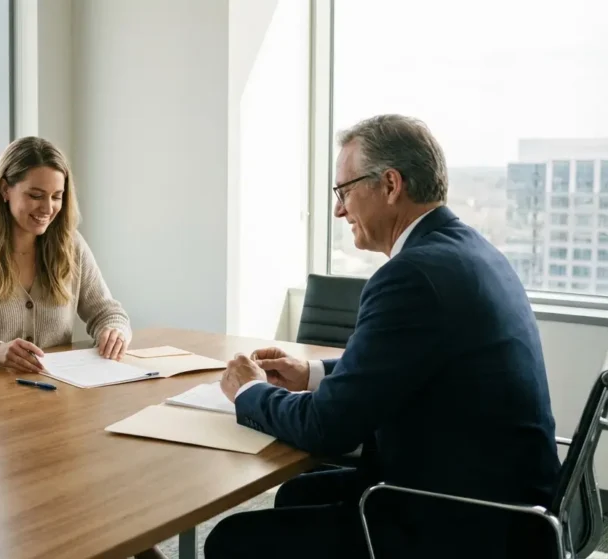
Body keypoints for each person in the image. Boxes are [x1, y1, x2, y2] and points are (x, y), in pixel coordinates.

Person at [205, 115, 560, 559]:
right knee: (297, 493)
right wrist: (311, 373)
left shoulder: (411, 275)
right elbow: (410, 364)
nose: (339, 210)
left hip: (466, 524)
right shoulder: (470, 250)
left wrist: (249, 392)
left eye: (344, 191)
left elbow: (326, 429)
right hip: (508, 502)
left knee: (229, 540)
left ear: (390, 185)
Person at [0, 136, 131, 372]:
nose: (48, 208)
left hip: (58, 390)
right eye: (36, 195)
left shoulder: (71, 246)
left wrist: (114, 331)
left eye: (56, 196)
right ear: (5, 189)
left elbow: (108, 313)